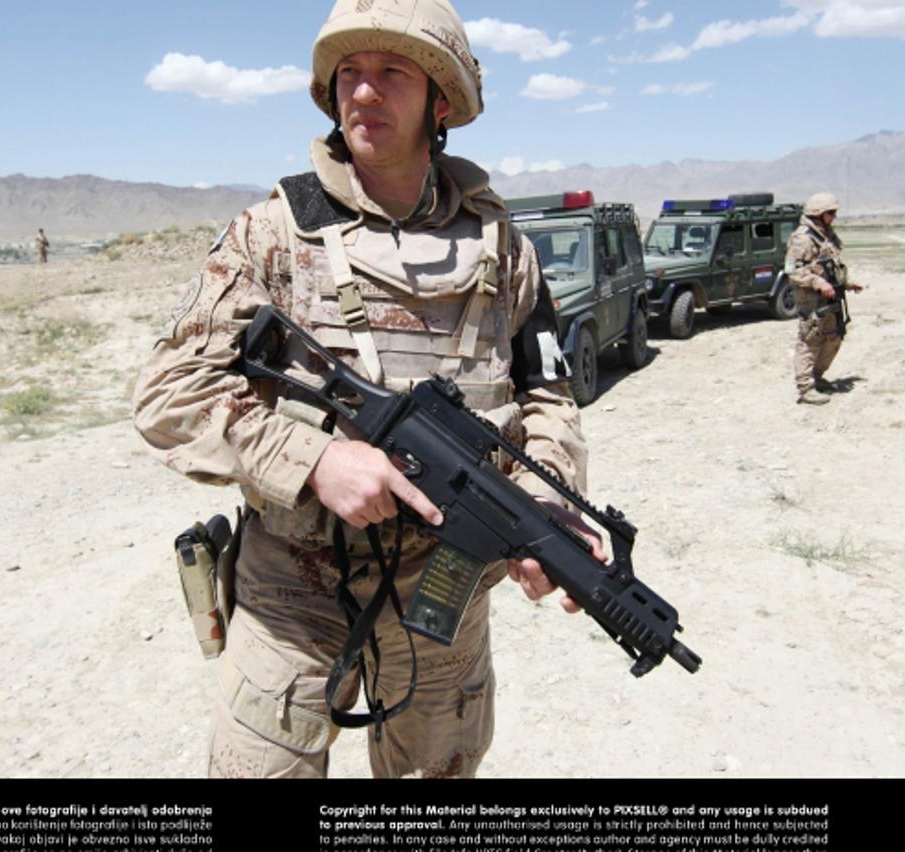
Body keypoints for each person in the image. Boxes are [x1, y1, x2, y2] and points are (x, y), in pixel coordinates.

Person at [133, 0, 593, 779]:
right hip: (293, 588)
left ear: (440, 101)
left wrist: (548, 505)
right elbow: (169, 392)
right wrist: (313, 462)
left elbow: (548, 395)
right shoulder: (272, 234)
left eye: (392, 73)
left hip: (444, 592)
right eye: (350, 72)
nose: (365, 93)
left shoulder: (503, 248)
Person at [786, 192, 864, 404]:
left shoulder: (826, 235)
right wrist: (819, 284)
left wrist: (847, 283)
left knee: (834, 337)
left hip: (831, 299)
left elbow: (833, 265)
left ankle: (816, 378)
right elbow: (791, 270)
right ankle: (805, 388)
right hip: (812, 300)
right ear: (818, 214)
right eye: (831, 213)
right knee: (809, 342)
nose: (834, 216)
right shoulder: (802, 238)